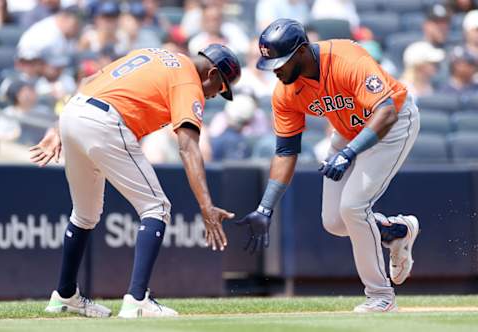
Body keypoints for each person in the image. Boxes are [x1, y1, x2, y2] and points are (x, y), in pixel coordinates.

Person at [29, 44, 241, 318]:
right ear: (212, 73)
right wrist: (206, 206)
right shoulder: (189, 80)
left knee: (84, 214)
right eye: (221, 88)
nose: (215, 96)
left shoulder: (155, 53)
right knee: (157, 207)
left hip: (74, 113)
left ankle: (65, 295)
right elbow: (188, 147)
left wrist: (59, 127)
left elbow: (87, 82)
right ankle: (138, 299)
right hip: (105, 122)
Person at [236, 19, 420, 313]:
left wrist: (348, 153)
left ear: (302, 51)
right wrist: (265, 207)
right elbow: (285, 152)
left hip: (393, 124)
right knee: (335, 222)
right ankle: (396, 230)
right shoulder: (285, 92)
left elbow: (384, 112)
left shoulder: (346, 58)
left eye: (280, 63)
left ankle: (381, 297)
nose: (276, 71)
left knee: (353, 208)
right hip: (348, 134)